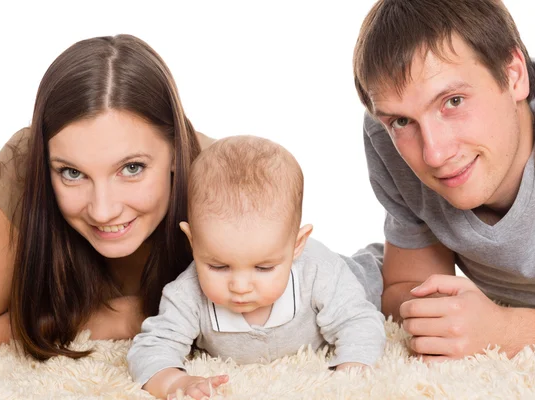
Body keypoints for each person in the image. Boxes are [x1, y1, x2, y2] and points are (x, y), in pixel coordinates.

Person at [352, 0, 535, 361]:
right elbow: (408, 286)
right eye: (402, 121)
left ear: (514, 74)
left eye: (453, 101)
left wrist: (507, 332)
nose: (434, 155)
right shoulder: (386, 138)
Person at [0, 34, 215, 359]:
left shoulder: (222, 179)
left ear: (176, 151)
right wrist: (127, 316)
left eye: (131, 168)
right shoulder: (23, 168)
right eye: (71, 173)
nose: (103, 211)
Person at [127, 136, 386, 400]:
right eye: (218, 266)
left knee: (377, 280)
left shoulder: (320, 270)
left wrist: (352, 369)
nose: (240, 287)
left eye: (263, 268)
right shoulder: (187, 292)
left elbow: (359, 321)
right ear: (193, 242)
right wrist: (174, 381)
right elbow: (153, 345)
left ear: (296, 245)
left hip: (358, 273)